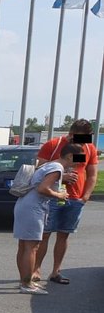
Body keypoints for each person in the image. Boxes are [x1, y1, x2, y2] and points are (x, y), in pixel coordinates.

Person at [33, 119, 98, 285]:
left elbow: (92, 173)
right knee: (45, 235)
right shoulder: (54, 144)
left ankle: (56, 271)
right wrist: (62, 174)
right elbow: (40, 167)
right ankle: (36, 270)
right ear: (70, 133)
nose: (79, 141)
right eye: (76, 137)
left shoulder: (89, 148)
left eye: (84, 137)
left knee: (64, 235)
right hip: (52, 196)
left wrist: (86, 196)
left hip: (75, 198)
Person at [13, 143, 80, 294]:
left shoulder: (50, 164)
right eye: (77, 158)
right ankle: (27, 284)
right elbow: (43, 188)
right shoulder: (57, 168)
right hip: (34, 207)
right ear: (69, 156)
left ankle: (24, 281)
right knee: (32, 247)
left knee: (24, 246)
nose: (79, 162)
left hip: (24, 203)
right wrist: (60, 195)